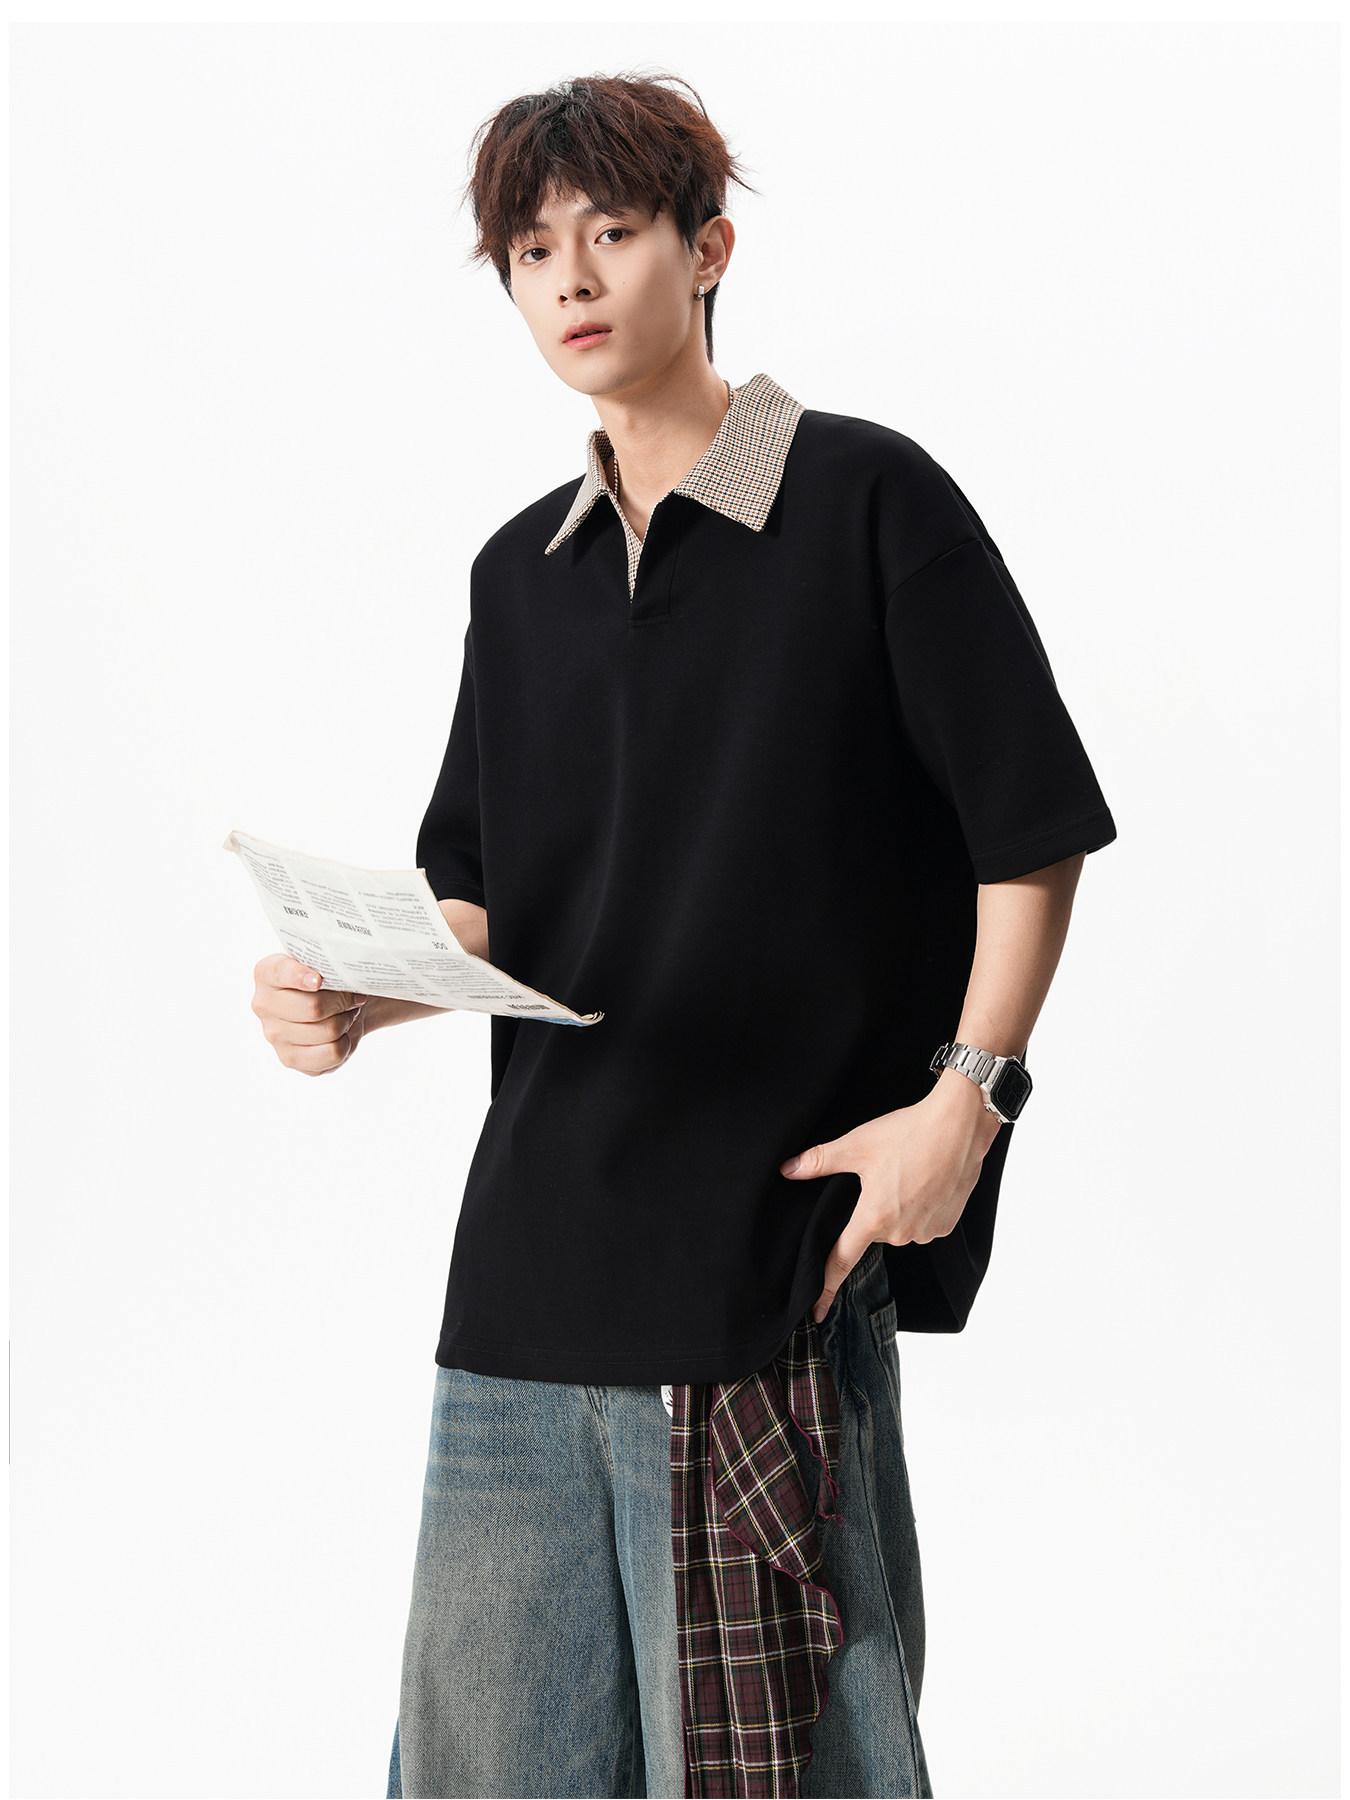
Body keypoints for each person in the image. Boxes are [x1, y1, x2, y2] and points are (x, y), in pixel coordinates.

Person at [249, 71, 1117, 1800]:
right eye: (531, 249)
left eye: (612, 232)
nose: (570, 277)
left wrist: (965, 1099)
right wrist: (357, 993)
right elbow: (490, 892)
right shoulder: (521, 572)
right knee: (483, 1770)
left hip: (757, 1265)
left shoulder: (865, 501)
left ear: (706, 250)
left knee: (774, 1768)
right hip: (522, 1276)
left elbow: (1029, 830)